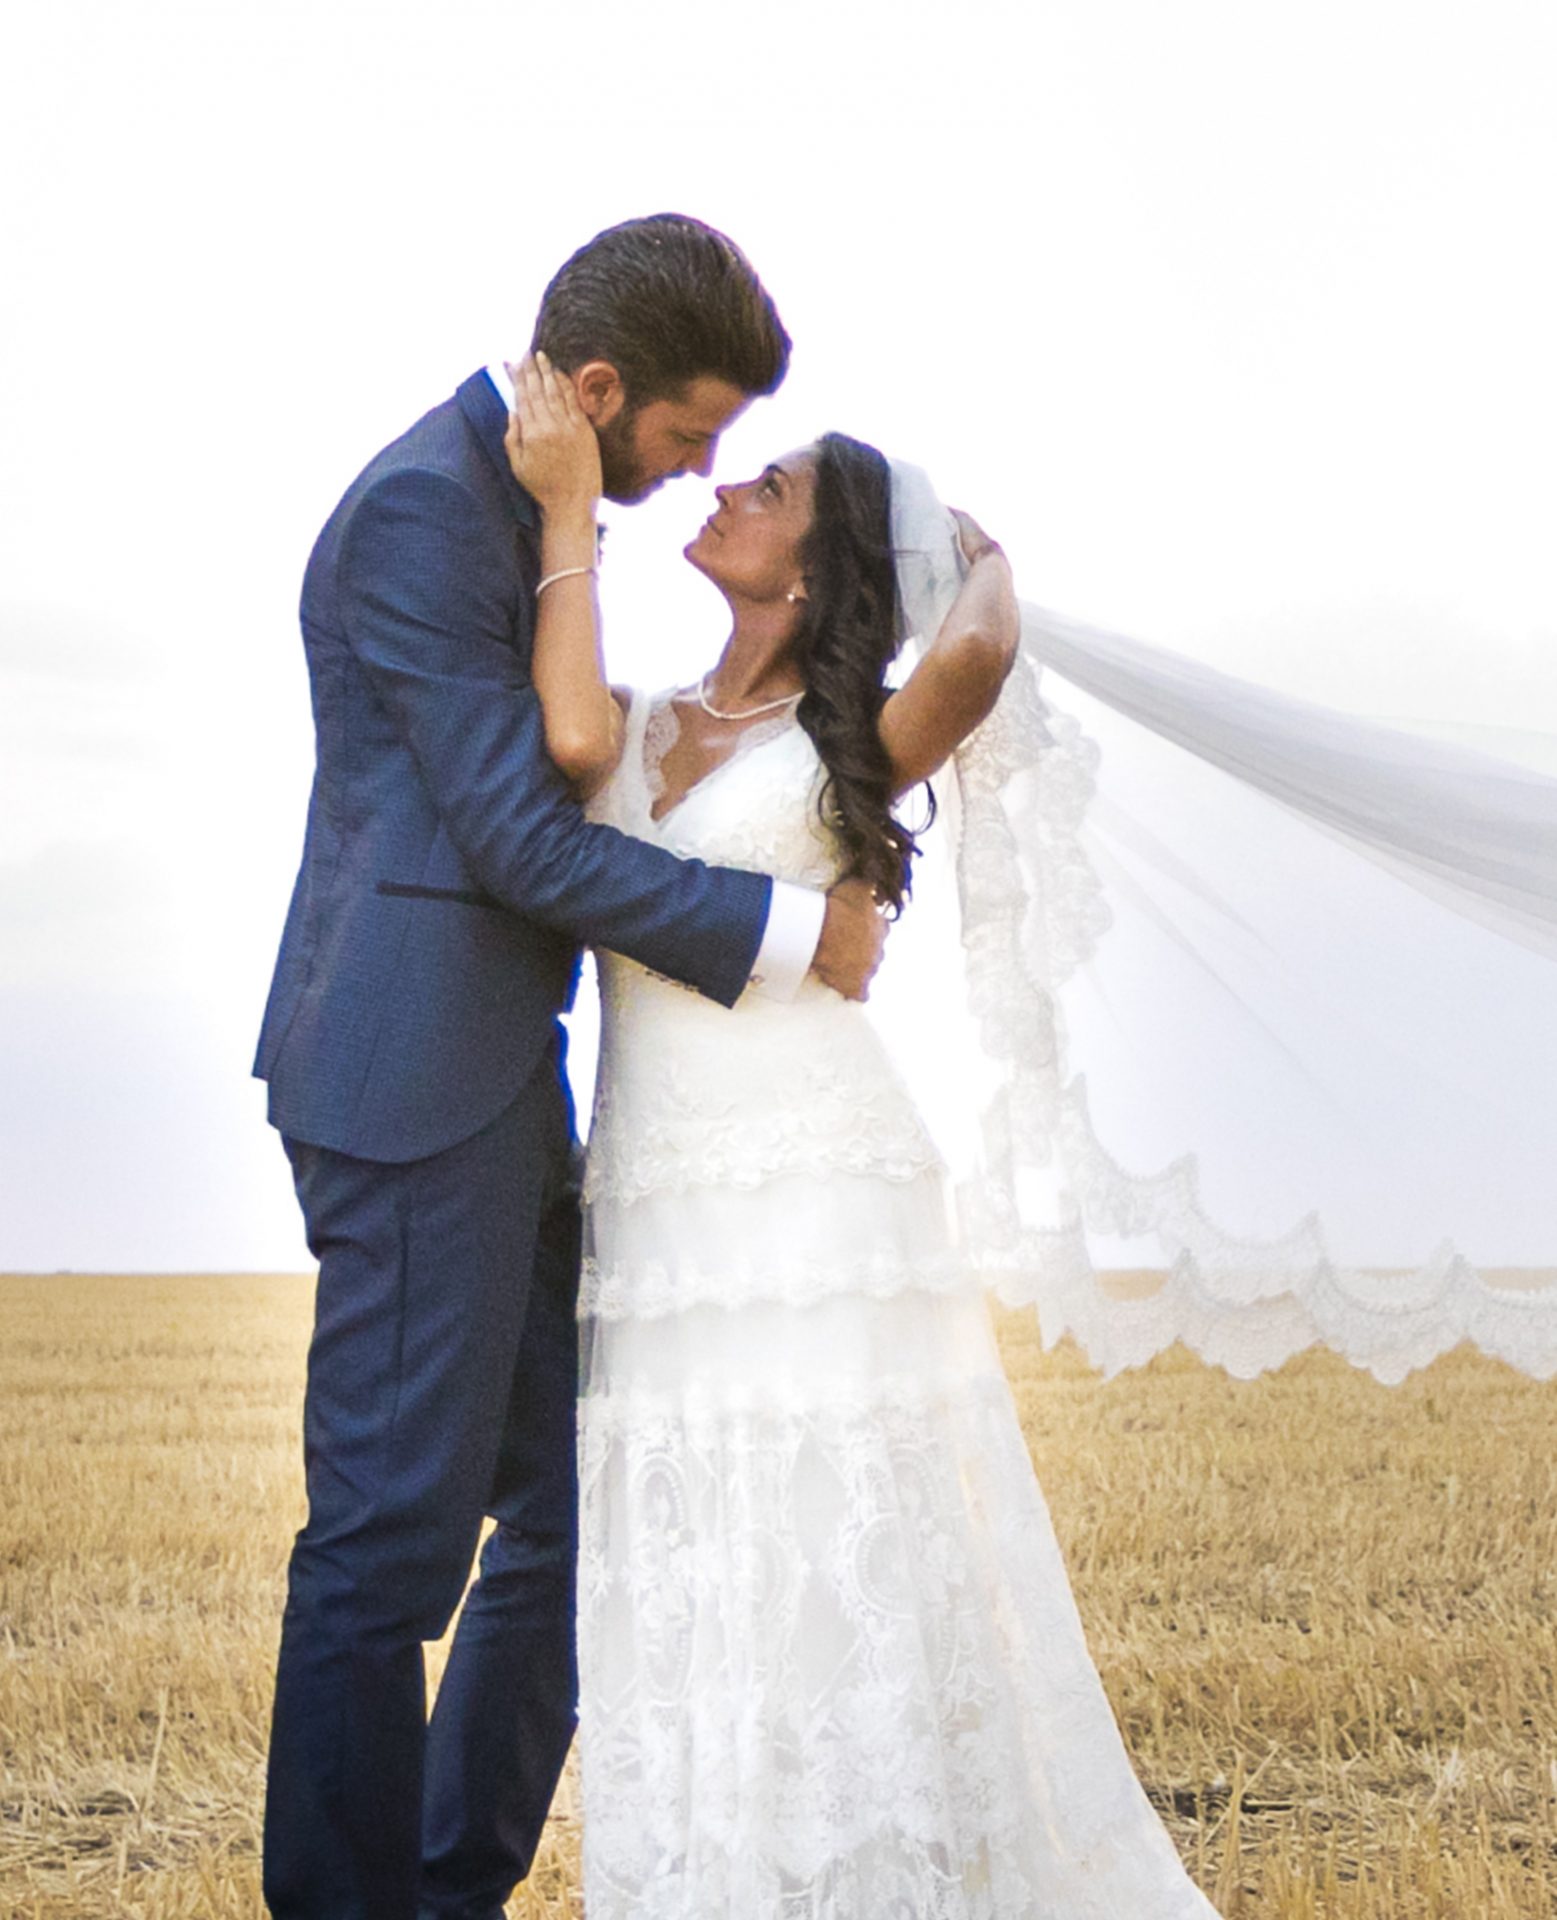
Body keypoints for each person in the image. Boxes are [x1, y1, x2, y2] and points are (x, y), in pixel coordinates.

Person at [506, 361, 1224, 1915]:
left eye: (764, 489)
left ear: (822, 565)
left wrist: (973, 551)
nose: (721, 488)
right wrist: (570, 506)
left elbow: (971, 649)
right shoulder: (631, 722)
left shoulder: (850, 747)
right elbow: (563, 741)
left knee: (828, 1533)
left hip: (819, 1181)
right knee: (692, 1544)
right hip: (658, 1192)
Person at [252, 215, 889, 1920]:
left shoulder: (520, 516)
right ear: (598, 391)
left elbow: (582, 741)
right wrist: (781, 930)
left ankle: (450, 1887)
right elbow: (531, 843)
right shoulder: (418, 514)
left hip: (501, 1088)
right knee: (389, 1550)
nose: (693, 478)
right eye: (683, 437)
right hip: (406, 1081)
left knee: (571, 1514)